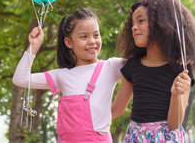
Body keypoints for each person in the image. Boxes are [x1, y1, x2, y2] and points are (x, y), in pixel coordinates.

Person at [112, 0, 195, 142]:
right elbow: (116, 109)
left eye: (140, 21)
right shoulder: (132, 66)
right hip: (135, 137)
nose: (134, 27)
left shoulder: (181, 67)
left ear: (161, 23)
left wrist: (176, 94)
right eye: (132, 24)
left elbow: (174, 124)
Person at [13, 9, 124, 142]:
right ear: (69, 42)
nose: (92, 41)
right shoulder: (62, 76)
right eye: (84, 36)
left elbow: (144, 63)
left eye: (96, 35)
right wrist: (34, 46)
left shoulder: (111, 67)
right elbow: (20, 79)